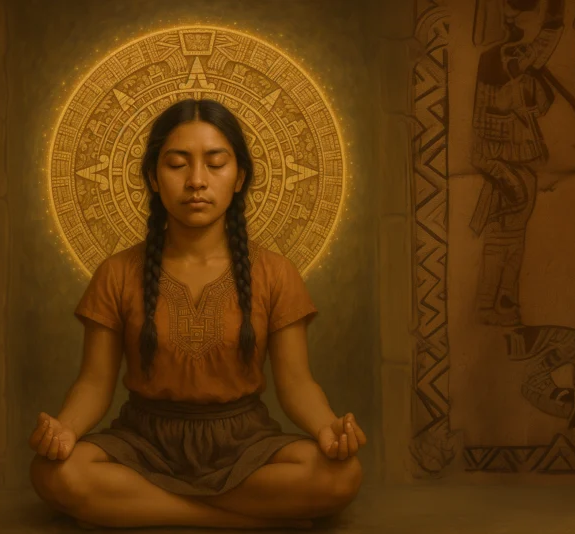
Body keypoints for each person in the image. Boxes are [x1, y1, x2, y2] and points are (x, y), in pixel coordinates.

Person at [28, 98, 366, 529]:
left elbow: (297, 383)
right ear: (153, 178)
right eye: (177, 164)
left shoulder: (275, 273)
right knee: (55, 473)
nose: (196, 181)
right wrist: (65, 430)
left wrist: (328, 429)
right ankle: (242, 521)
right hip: (143, 442)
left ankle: (143, 507)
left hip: (243, 444)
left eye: (216, 163)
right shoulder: (117, 272)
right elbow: (94, 383)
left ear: (239, 177)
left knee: (342, 476)